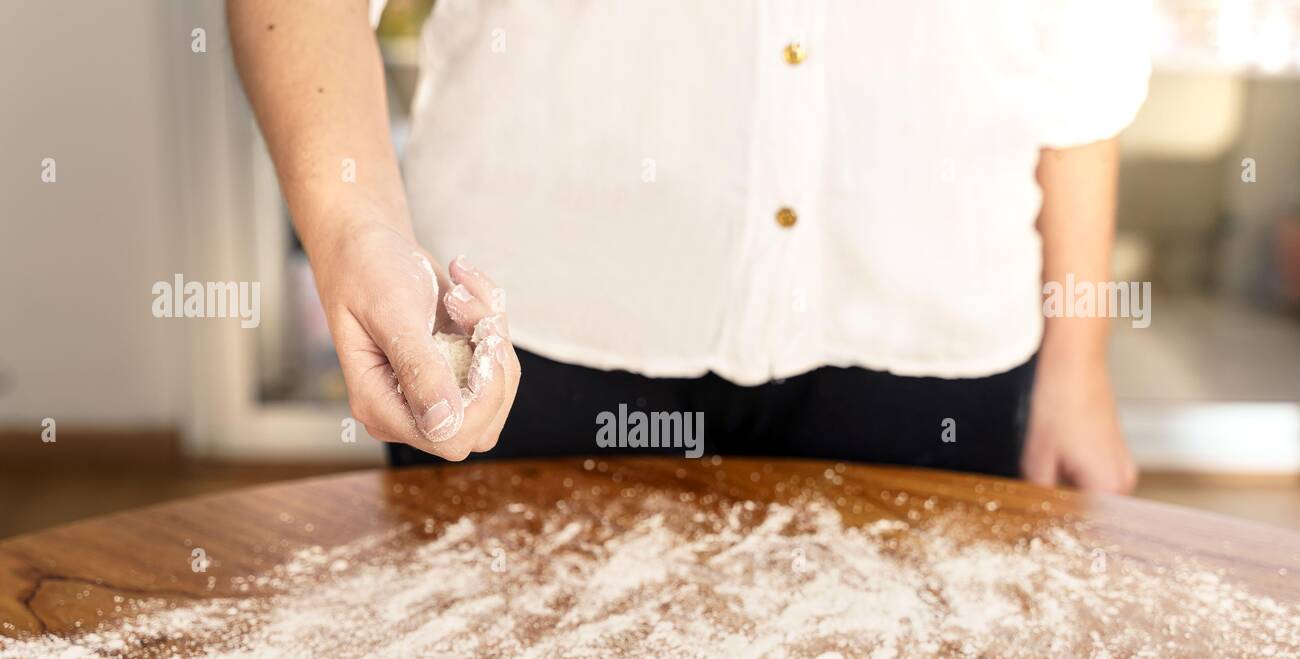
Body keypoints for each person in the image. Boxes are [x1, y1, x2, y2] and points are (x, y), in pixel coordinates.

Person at [230, 0, 1149, 490]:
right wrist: (358, 230)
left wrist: (1080, 363)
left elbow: (1081, 34)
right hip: (530, 329)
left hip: (932, 332)